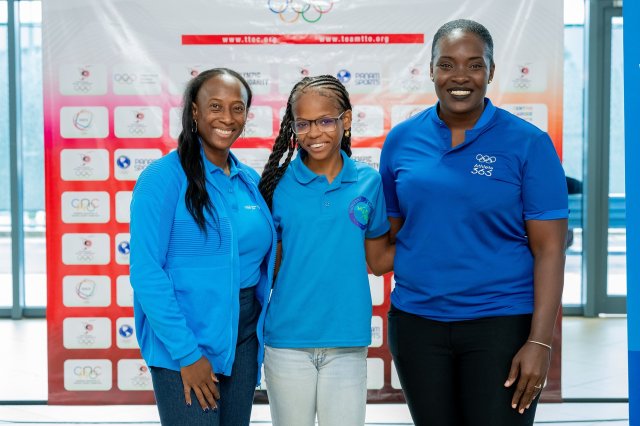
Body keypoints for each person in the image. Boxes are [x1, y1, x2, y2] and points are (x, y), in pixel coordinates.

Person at [379, 19, 568, 426]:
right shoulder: (400, 141)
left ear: (491, 71)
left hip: (501, 324)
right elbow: (393, 234)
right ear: (431, 70)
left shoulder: (529, 143)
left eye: (474, 65)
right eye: (446, 64)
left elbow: (550, 249)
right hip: (417, 325)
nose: (460, 77)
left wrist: (540, 341)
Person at [129, 68, 277, 426]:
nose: (227, 118)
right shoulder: (161, 179)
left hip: (243, 338)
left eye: (237, 108)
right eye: (215, 106)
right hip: (185, 340)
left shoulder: (248, 181)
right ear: (194, 111)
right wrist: (187, 354)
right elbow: (146, 273)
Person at [258, 75, 395, 426]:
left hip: (347, 339)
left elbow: (379, 260)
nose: (314, 133)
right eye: (303, 123)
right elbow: (270, 267)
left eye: (325, 121)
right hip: (287, 340)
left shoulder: (369, 182)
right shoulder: (277, 185)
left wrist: (434, 235)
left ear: (345, 120)